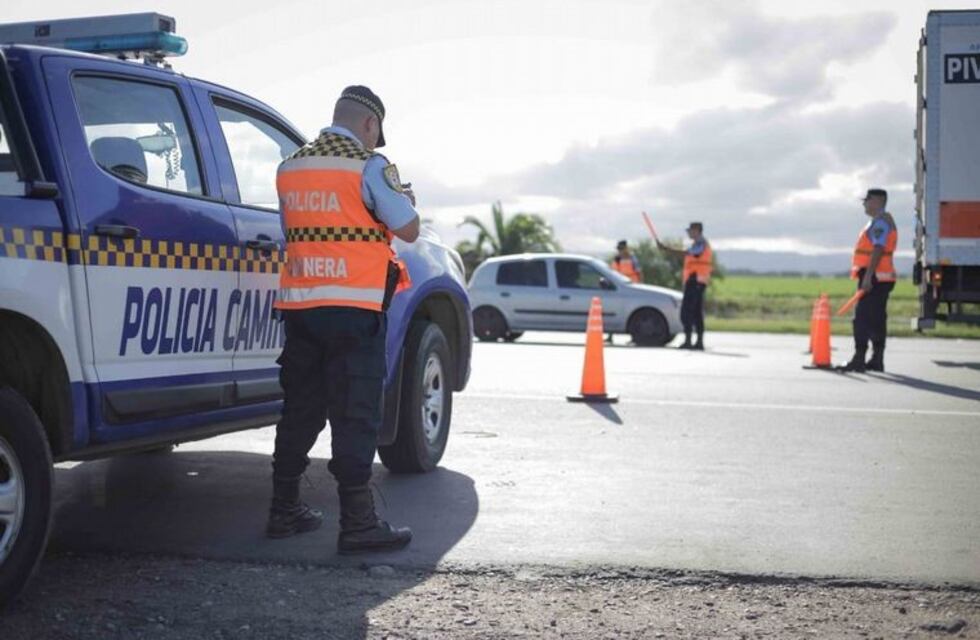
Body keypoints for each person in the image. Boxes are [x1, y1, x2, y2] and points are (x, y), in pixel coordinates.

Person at [268, 85, 420, 554]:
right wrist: (404, 197)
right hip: (354, 309)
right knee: (356, 412)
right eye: (376, 134)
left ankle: (283, 510)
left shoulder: (289, 167)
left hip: (302, 307)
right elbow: (409, 229)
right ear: (369, 125)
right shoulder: (369, 165)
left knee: (300, 408)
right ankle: (358, 523)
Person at [838, 188, 898, 373]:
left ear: (877, 201)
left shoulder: (880, 222)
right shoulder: (881, 221)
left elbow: (878, 248)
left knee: (862, 319)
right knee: (877, 319)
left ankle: (859, 359)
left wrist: (868, 277)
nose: (864, 203)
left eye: (867, 200)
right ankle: (876, 360)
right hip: (881, 277)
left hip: (874, 277)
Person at [657, 222, 712, 350]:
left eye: (690, 230)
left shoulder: (701, 244)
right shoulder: (699, 244)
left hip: (695, 281)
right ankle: (698, 342)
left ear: (697, 230)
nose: (688, 233)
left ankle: (689, 340)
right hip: (697, 281)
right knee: (697, 313)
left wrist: (666, 249)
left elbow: (687, 254)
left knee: (687, 312)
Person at [608, 240, 642, 342]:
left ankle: (634, 336)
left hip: (632, 287)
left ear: (626, 248)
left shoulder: (633, 259)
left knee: (633, 312)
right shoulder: (616, 259)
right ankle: (610, 336)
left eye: (621, 249)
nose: (620, 251)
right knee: (613, 310)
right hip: (618, 288)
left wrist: (640, 286)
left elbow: (639, 272)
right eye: (619, 249)